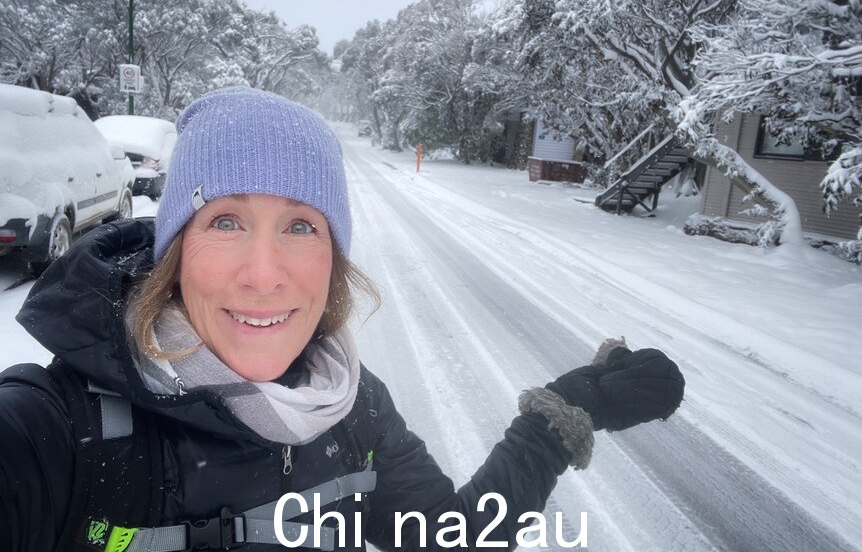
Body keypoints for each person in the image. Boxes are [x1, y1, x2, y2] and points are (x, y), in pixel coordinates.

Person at [0, 87, 685, 552]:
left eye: (301, 225)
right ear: (174, 252)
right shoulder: (58, 431)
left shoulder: (354, 411)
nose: (264, 273)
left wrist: (560, 415)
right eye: (227, 220)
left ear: (332, 259)